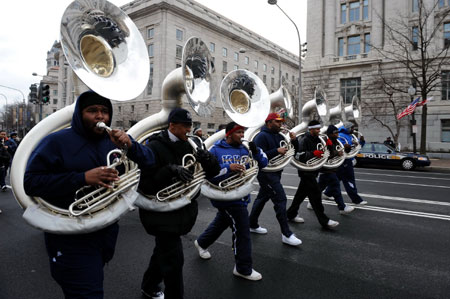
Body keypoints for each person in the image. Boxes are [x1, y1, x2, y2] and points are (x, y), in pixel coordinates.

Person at [24, 90, 156, 299]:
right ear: (79, 113)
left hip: (104, 232)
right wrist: (82, 178)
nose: (100, 116)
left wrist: (131, 145)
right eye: (92, 110)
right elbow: (30, 183)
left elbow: (150, 162)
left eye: (104, 111)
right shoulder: (56, 142)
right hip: (70, 236)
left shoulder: (114, 139)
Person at [137, 108, 220, 299]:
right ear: (172, 126)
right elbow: (145, 185)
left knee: (163, 253)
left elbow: (213, 172)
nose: (189, 130)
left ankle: (149, 286)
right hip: (161, 212)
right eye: (184, 126)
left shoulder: (193, 144)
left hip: (183, 209)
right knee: (174, 261)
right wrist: (171, 170)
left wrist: (209, 161)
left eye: (190, 125)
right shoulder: (153, 147)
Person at [194, 122, 268, 281]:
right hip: (225, 196)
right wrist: (228, 167)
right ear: (228, 134)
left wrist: (257, 153)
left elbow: (263, 164)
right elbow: (209, 175)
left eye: (243, 132)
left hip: (241, 194)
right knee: (242, 230)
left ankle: (202, 242)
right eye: (239, 132)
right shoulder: (215, 150)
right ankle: (243, 268)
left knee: (223, 221)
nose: (242, 135)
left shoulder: (246, 148)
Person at [248, 112, 302, 246]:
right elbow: (258, 156)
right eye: (277, 122)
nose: (280, 124)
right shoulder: (261, 136)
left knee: (262, 198)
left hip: (276, 172)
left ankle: (252, 224)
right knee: (281, 199)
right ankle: (286, 234)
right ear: (269, 123)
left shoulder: (279, 135)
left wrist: (294, 141)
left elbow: (292, 151)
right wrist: (276, 151)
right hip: (266, 174)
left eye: (281, 122)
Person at [286, 120, 339, 229]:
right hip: (306, 172)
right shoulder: (304, 140)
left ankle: (290, 214)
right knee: (316, 196)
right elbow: (298, 156)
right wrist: (312, 153)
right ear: (310, 129)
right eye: (316, 129)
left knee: (300, 196)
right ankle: (324, 221)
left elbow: (328, 156)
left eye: (319, 129)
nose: (319, 131)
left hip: (314, 171)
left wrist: (330, 146)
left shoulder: (319, 139)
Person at [312, 125, 354, 215]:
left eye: (337, 132)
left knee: (319, 188)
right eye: (335, 133)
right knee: (336, 186)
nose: (337, 134)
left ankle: (311, 202)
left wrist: (346, 148)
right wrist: (336, 153)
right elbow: (324, 154)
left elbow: (342, 153)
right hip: (326, 168)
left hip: (332, 168)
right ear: (330, 134)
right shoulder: (325, 142)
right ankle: (342, 207)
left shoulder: (336, 142)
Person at [324, 122, 367, 205]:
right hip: (344, 161)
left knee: (337, 179)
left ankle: (327, 193)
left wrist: (362, 142)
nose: (353, 130)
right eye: (352, 128)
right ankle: (356, 199)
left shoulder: (350, 136)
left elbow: (357, 146)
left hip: (346, 160)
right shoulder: (341, 136)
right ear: (347, 128)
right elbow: (341, 148)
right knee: (349, 180)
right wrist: (349, 147)